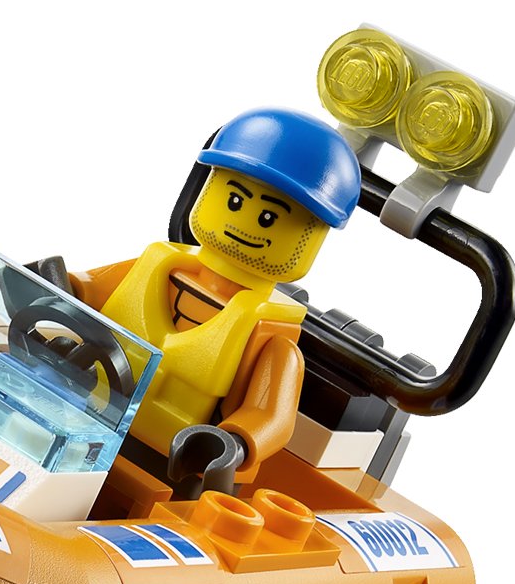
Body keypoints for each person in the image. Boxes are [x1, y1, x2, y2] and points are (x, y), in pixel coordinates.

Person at [70, 108, 362, 495]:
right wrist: (57, 283)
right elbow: (86, 289)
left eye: (269, 218)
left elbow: (271, 415)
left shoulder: (270, 335)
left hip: (171, 469)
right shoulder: (158, 265)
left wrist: (235, 442)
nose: (243, 221)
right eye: (234, 201)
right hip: (80, 419)